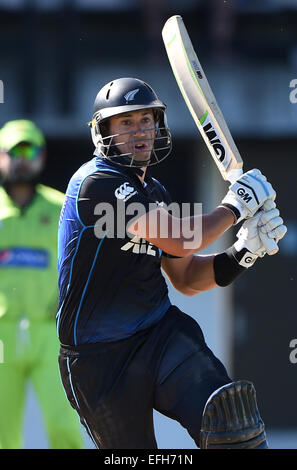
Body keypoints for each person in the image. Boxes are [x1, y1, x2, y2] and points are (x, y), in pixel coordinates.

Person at [57, 78, 287, 449]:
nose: (140, 131)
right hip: (98, 359)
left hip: (158, 335)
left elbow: (188, 278)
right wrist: (235, 206)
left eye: (146, 120)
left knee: (232, 429)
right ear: (104, 131)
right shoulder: (96, 183)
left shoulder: (155, 192)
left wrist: (245, 251)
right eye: (126, 123)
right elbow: (181, 237)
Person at [0, 119, 84, 449]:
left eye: (30, 150)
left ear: (42, 156)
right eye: (13, 152)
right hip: (2, 335)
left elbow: (79, 267)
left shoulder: (62, 207)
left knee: (63, 427)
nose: (22, 160)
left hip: (51, 333)